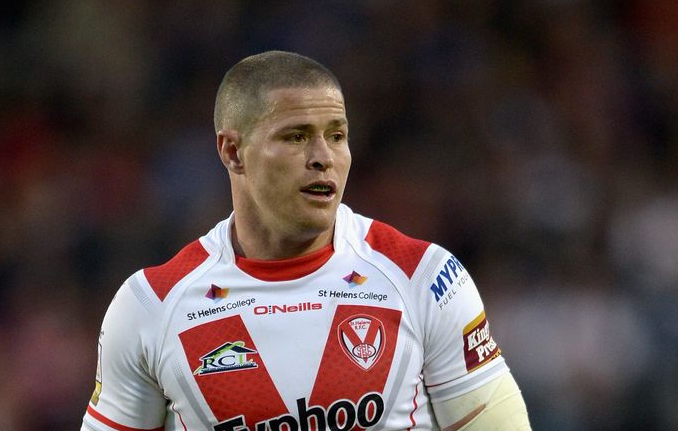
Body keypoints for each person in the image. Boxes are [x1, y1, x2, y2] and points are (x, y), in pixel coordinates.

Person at [80, 50, 531, 431]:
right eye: (296, 137)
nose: (323, 158)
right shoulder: (150, 305)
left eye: (337, 136)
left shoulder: (425, 278)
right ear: (232, 152)